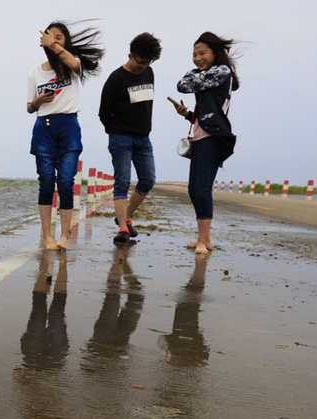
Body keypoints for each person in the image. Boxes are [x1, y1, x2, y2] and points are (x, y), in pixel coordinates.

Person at [27, 21, 104, 251]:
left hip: (69, 126)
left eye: (60, 38)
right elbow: (29, 108)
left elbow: (72, 61)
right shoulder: (35, 72)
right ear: (43, 42)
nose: (56, 41)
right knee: (47, 181)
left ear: (65, 42)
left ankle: (64, 236)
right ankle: (47, 236)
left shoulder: (73, 66)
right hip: (44, 128)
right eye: (52, 37)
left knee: (66, 183)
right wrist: (38, 101)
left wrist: (55, 46)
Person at [171, 32, 239, 254]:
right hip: (201, 137)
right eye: (194, 54)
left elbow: (184, 84)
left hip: (214, 138)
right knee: (193, 190)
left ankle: (203, 241)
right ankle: (205, 239)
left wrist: (192, 77)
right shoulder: (207, 77)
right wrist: (186, 114)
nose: (197, 58)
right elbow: (185, 87)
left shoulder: (222, 71)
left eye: (202, 53)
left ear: (215, 53)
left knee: (202, 189)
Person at [99, 32, 162, 245]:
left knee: (148, 179)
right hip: (121, 138)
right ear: (130, 55)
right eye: (140, 62)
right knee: (122, 182)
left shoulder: (149, 73)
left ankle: (123, 217)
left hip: (144, 139)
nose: (143, 66)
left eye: (147, 63)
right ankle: (123, 228)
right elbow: (103, 113)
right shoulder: (116, 79)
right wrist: (116, 131)